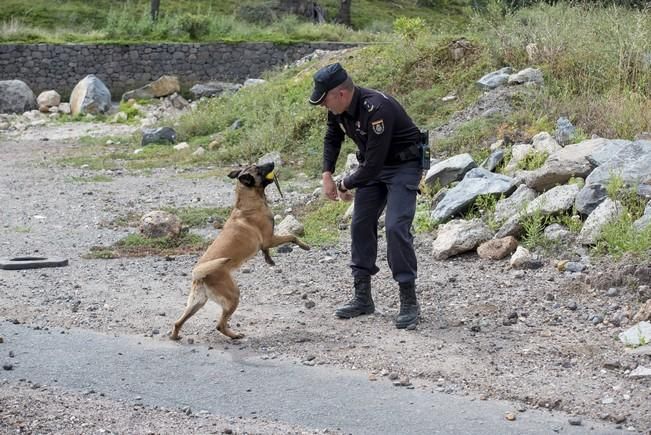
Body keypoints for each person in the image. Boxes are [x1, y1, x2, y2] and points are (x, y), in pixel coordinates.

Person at [309, 62, 425, 329]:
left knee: (396, 227)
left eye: (325, 100)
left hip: (403, 167)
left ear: (340, 93)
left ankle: (409, 301)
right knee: (360, 224)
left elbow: (372, 165)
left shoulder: (376, 108)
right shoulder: (339, 109)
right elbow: (332, 137)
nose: (324, 106)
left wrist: (344, 184)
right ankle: (363, 297)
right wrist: (327, 173)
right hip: (374, 167)